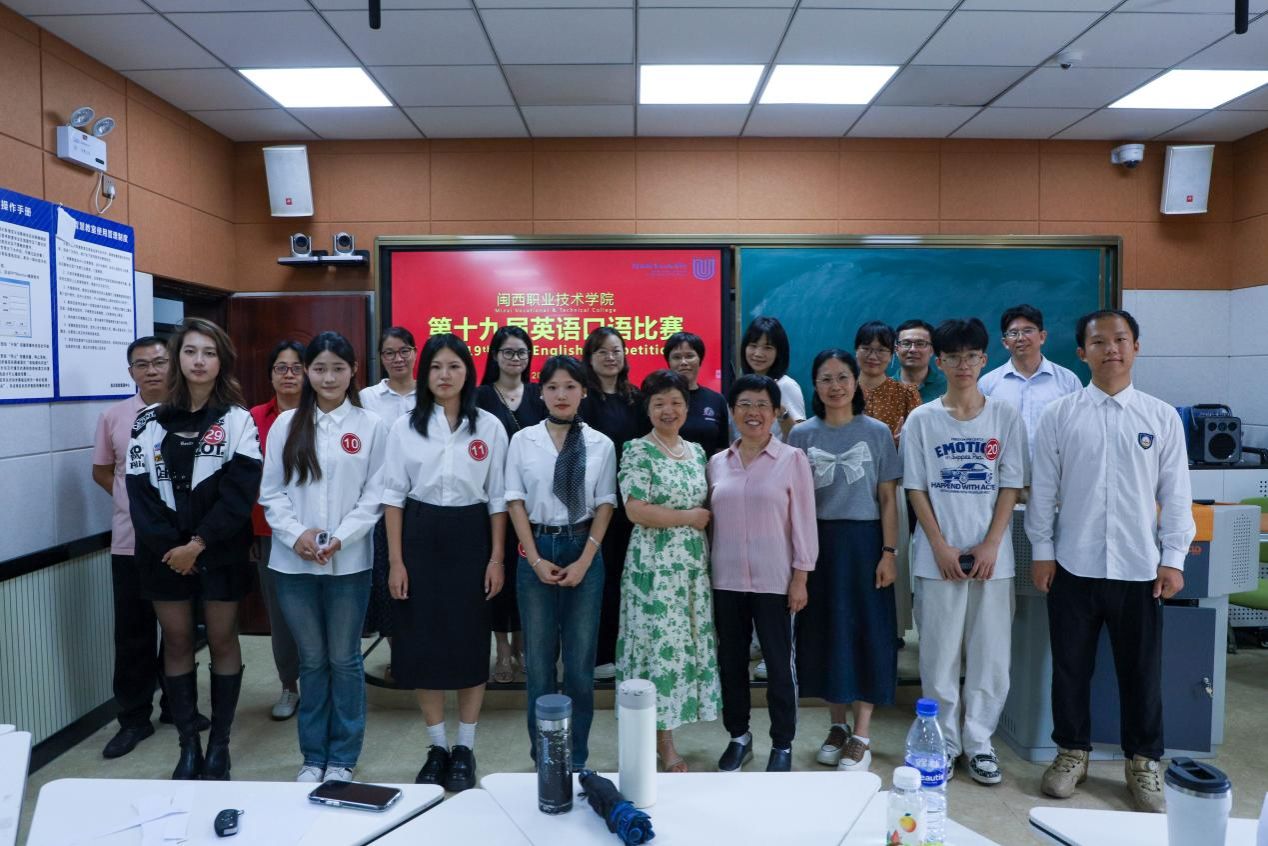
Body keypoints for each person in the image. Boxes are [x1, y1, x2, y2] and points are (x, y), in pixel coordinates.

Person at [1026, 309, 1194, 813]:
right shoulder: (1060, 415)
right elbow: (1043, 492)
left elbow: (1176, 495)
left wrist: (1173, 558)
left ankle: (1143, 761)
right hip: (1072, 565)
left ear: (1136, 347)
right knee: (1069, 669)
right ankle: (1071, 753)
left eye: (1120, 339)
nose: (1111, 349)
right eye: (1099, 342)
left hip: (1139, 568)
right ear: (1082, 352)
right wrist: (1042, 551)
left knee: (1141, 673)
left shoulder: (1160, 417)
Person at [126, 318, 262, 781]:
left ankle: (219, 745)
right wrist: (174, 549)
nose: (199, 361)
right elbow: (140, 493)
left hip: (220, 549)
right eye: (190, 352)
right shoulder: (148, 421)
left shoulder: (238, 420)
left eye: (209, 352)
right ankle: (188, 745)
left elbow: (240, 495)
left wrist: (199, 544)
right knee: (178, 640)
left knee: (222, 639)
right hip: (163, 554)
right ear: (177, 359)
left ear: (222, 360)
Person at [901, 318, 1026, 787]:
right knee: (938, 658)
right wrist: (939, 546)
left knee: (990, 656)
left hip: (994, 558)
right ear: (940, 362)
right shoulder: (922, 419)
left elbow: (1011, 484)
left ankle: (979, 743)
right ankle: (944, 743)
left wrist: (992, 544)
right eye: (953, 357)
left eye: (971, 356)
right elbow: (916, 488)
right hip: (938, 557)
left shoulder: (1005, 416)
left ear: (984, 359)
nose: (963, 365)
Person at [259, 332, 386, 784]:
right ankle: (313, 757)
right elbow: (271, 492)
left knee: (345, 659)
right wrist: (296, 535)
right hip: (293, 564)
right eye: (319, 369)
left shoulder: (372, 426)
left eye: (338, 368)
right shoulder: (286, 424)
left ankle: (343, 758)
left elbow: (375, 495)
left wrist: (341, 539)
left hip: (349, 563)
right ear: (307, 373)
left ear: (353, 371)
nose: (328, 377)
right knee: (311, 660)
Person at [383, 333, 508, 793]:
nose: (445, 375)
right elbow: (392, 496)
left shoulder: (489, 426)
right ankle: (437, 746)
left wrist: (496, 557)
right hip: (418, 534)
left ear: (468, 372)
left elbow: (498, 497)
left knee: (470, 641)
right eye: (436, 367)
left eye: (454, 366)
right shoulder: (404, 427)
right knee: (423, 643)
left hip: (471, 535)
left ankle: (465, 747)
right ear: (425, 374)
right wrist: (396, 561)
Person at [788, 350, 901, 774]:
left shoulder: (877, 432)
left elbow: (888, 499)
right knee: (825, 633)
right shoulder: (801, 435)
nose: (835, 386)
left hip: (865, 543)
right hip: (817, 545)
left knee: (868, 632)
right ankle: (837, 726)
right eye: (825, 378)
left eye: (842, 377)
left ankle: (863, 735)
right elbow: (793, 502)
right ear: (814, 385)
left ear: (856, 382)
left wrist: (889, 553)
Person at [505, 355, 616, 771]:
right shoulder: (523, 440)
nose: (561, 394)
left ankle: (576, 759)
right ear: (541, 393)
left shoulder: (600, 444)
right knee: (538, 666)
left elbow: (605, 504)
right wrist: (534, 558)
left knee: (580, 667)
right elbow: (514, 501)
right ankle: (545, 760)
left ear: (584, 391)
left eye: (570, 386)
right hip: (537, 548)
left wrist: (586, 559)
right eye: (552, 387)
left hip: (583, 548)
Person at [708, 374, 817, 773]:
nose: (752, 413)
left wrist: (801, 577)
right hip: (726, 580)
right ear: (732, 412)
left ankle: (782, 743)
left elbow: (804, 522)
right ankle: (739, 737)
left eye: (761, 405)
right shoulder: (717, 463)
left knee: (778, 664)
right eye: (744, 405)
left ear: (775, 412)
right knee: (731, 663)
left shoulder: (792, 459)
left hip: (776, 581)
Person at [616, 369, 722, 773]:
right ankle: (663, 741)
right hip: (654, 568)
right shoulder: (637, 450)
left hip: (691, 567)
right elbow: (635, 510)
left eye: (675, 402)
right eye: (659, 402)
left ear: (687, 407)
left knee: (683, 649)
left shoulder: (696, 452)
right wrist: (688, 518)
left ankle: (670, 727)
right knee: (657, 650)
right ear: (648, 408)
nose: (668, 409)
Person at [93, 336, 183, 759]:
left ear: (172, 365)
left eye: (159, 362)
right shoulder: (113, 416)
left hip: (179, 544)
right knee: (133, 633)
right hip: (130, 542)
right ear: (130, 372)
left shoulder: (189, 412)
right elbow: (102, 471)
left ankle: (177, 707)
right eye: (141, 364)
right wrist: (132, 505)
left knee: (181, 631)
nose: (151, 370)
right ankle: (133, 719)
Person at [579, 327, 649, 681]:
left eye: (616, 350)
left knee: (628, 578)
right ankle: (599, 654)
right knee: (599, 580)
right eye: (602, 351)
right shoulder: (583, 399)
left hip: (632, 505)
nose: (611, 357)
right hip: (593, 505)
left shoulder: (636, 398)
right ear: (590, 358)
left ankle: (629, 650)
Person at [477, 325, 545, 685]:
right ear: (495, 356)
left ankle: (523, 644)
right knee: (496, 572)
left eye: (521, 352)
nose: (515, 358)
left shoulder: (539, 394)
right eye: (508, 352)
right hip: (493, 500)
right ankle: (502, 649)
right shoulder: (481, 396)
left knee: (527, 574)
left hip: (533, 502)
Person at [248, 339, 305, 722]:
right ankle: (289, 685)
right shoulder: (254, 418)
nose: (288, 374)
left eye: (296, 367)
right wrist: (249, 533)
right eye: (281, 367)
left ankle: (321, 685)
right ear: (270, 375)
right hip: (269, 533)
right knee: (281, 616)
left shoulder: (323, 415)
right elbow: (246, 479)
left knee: (319, 613)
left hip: (318, 532)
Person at [359, 327, 418, 663]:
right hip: (382, 506)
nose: (398, 358)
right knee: (388, 582)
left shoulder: (430, 394)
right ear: (380, 358)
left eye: (404, 350)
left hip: (422, 504)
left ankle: (423, 651)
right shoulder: (367, 398)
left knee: (421, 580)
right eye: (389, 353)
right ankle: (399, 655)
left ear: (415, 353)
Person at [978, 304, 1082, 459]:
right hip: (1004, 472)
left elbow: (1079, 433)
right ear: (1005, 342)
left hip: (1054, 471)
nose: (1021, 338)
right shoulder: (987, 384)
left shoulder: (1068, 381)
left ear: (1042, 336)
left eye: (1028, 331)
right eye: (1013, 333)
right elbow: (980, 433)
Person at [662, 332, 729, 456]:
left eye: (689, 356)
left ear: (700, 359)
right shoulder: (658, 401)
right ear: (668, 362)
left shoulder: (716, 400)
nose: (683, 362)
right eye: (676, 357)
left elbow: (722, 448)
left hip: (707, 468)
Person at [740, 316, 805, 440]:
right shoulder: (741, 386)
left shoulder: (786, 385)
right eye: (753, 345)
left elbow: (801, 439)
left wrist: (781, 412)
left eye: (767, 348)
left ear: (778, 352)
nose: (758, 354)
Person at [854, 321, 920, 441]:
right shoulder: (842, 392)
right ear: (856, 351)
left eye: (881, 350)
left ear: (892, 354)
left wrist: (905, 441)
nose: (872, 356)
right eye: (866, 348)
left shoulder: (906, 395)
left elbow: (921, 438)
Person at [888, 319, 947, 404]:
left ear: (932, 350)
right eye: (906, 343)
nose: (913, 349)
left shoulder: (948, 387)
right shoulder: (883, 389)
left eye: (920, 344)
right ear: (896, 349)